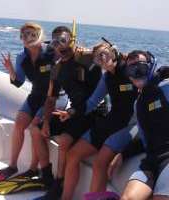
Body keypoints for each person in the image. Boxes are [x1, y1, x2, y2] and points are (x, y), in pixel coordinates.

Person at [56, 41, 138, 200]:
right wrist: (71, 112)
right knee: (73, 155)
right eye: (97, 58)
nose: (102, 59)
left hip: (130, 125)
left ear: (113, 52)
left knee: (99, 163)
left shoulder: (131, 70)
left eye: (104, 54)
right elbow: (92, 103)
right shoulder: (107, 77)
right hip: (111, 121)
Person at [34, 26, 102, 199]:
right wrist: (47, 122)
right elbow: (51, 99)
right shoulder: (57, 68)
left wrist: (94, 51)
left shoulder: (88, 59)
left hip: (93, 112)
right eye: (55, 42)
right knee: (35, 130)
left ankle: (58, 185)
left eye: (63, 40)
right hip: (73, 111)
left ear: (72, 39)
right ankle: (47, 178)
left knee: (64, 141)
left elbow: (109, 55)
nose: (59, 46)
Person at [0, 22, 54, 178]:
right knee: (19, 123)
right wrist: (10, 70)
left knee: (34, 128)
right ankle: (13, 166)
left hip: (52, 97)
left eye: (32, 34)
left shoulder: (51, 52)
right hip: (36, 95)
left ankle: (32, 169)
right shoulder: (22, 57)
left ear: (39, 35)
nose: (27, 38)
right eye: (24, 35)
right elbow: (18, 82)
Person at [121, 50, 169, 200]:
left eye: (140, 68)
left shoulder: (166, 88)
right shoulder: (139, 103)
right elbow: (145, 139)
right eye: (130, 69)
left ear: (151, 66)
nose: (136, 73)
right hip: (152, 160)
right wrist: (123, 154)